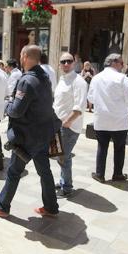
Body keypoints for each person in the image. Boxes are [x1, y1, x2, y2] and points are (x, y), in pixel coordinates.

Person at [0, 45, 60, 217]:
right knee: (45, 172)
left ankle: (2, 206)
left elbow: (16, 110)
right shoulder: (44, 77)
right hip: (43, 134)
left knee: (13, 172)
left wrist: (7, 104)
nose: (19, 57)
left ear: (25, 56)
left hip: (27, 137)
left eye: (20, 54)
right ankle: (51, 207)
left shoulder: (27, 81)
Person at [87, 53, 128, 183]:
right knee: (119, 148)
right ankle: (117, 174)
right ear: (114, 63)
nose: (122, 66)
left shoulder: (96, 78)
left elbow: (91, 98)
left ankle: (99, 174)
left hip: (102, 120)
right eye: (121, 63)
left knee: (102, 147)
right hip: (119, 121)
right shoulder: (122, 78)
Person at [53, 52, 88, 197]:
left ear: (74, 63)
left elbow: (79, 107)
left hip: (68, 127)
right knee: (59, 156)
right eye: (63, 62)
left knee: (64, 157)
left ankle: (67, 187)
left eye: (69, 61)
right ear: (59, 64)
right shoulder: (62, 79)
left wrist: (67, 122)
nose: (66, 64)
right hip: (57, 124)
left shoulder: (78, 81)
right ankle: (63, 181)